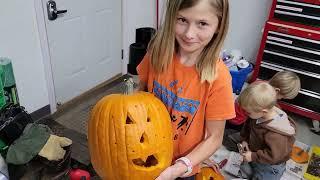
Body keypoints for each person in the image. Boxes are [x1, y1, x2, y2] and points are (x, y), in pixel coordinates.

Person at [136, 0, 235, 179]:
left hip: (182, 167)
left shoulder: (218, 77)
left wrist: (178, 169)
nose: (189, 34)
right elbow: (140, 93)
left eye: (202, 24)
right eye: (182, 20)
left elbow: (214, 137)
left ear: (219, 26)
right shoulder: (157, 52)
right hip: (144, 152)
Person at [237, 81, 296, 180]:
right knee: (247, 170)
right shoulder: (257, 113)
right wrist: (245, 140)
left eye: (248, 112)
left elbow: (274, 156)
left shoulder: (276, 134)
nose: (246, 114)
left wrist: (253, 156)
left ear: (263, 111)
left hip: (269, 166)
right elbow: (248, 125)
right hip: (256, 154)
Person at [227, 70, 301, 130]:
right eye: (282, 97)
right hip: (237, 120)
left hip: (233, 110)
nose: (280, 99)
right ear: (277, 91)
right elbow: (261, 113)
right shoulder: (262, 96)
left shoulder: (261, 85)